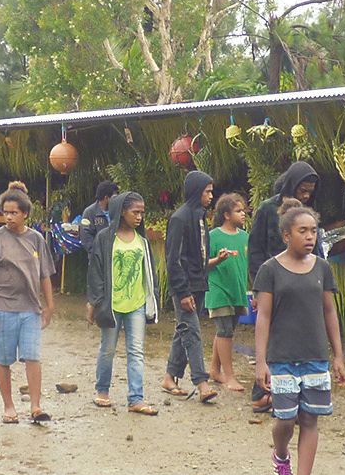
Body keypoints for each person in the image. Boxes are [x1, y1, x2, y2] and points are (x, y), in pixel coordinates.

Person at [255, 200, 345, 475]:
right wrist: (262, 362)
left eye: (313, 231)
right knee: (286, 418)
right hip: (281, 358)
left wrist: (338, 356)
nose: (309, 237)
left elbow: (329, 311)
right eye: (302, 231)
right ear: (286, 235)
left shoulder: (322, 268)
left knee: (310, 419)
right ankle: (281, 454)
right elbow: (263, 317)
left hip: (315, 358)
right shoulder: (269, 270)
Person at [248, 161, 324, 411]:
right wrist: (257, 287)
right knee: (270, 334)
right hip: (272, 284)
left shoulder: (307, 214)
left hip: (302, 288)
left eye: (310, 190)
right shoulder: (267, 209)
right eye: (303, 188)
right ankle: (262, 390)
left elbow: (319, 255)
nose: (306, 194)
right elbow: (255, 249)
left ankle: (300, 388)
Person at [0, 184, 55, 425]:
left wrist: (49, 306)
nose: (9, 217)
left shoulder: (36, 239)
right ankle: (9, 406)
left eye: (14, 212)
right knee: (3, 359)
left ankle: (35, 406)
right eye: (6, 212)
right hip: (2, 308)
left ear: (25, 214)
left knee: (33, 357)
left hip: (31, 308)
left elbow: (44, 275)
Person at [85, 191, 160, 416]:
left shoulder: (142, 242)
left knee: (136, 351)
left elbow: (150, 274)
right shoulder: (105, 239)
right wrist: (94, 302)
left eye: (142, 213)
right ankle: (102, 390)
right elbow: (96, 272)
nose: (139, 217)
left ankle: (136, 398)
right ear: (121, 212)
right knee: (107, 349)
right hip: (111, 304)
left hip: (136, 304)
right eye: (135, 212)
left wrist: (152, 299)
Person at [162, 170, 226, 404]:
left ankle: (170, 377)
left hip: (198, 284)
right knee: (193, 333)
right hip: (185, 288)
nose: (211, 196)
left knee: (184, 331)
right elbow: (173, 259)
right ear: (196, 191)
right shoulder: (179, 218)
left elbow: (196, 256)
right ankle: (202, 383)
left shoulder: (199, 217)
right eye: (207, 191)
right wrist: (182, 291)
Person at [206, 192, 251, 393]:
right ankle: (230, 376)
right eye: (238, 211)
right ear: (226, 214)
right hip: (219, 290)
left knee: (226, 331)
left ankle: (215, 370)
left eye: (244, 211)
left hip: (238, 290)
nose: (243, 214)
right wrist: (218, 260)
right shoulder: (212, 236)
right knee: (224, 331)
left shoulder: (245, 237)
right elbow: (202, 264)